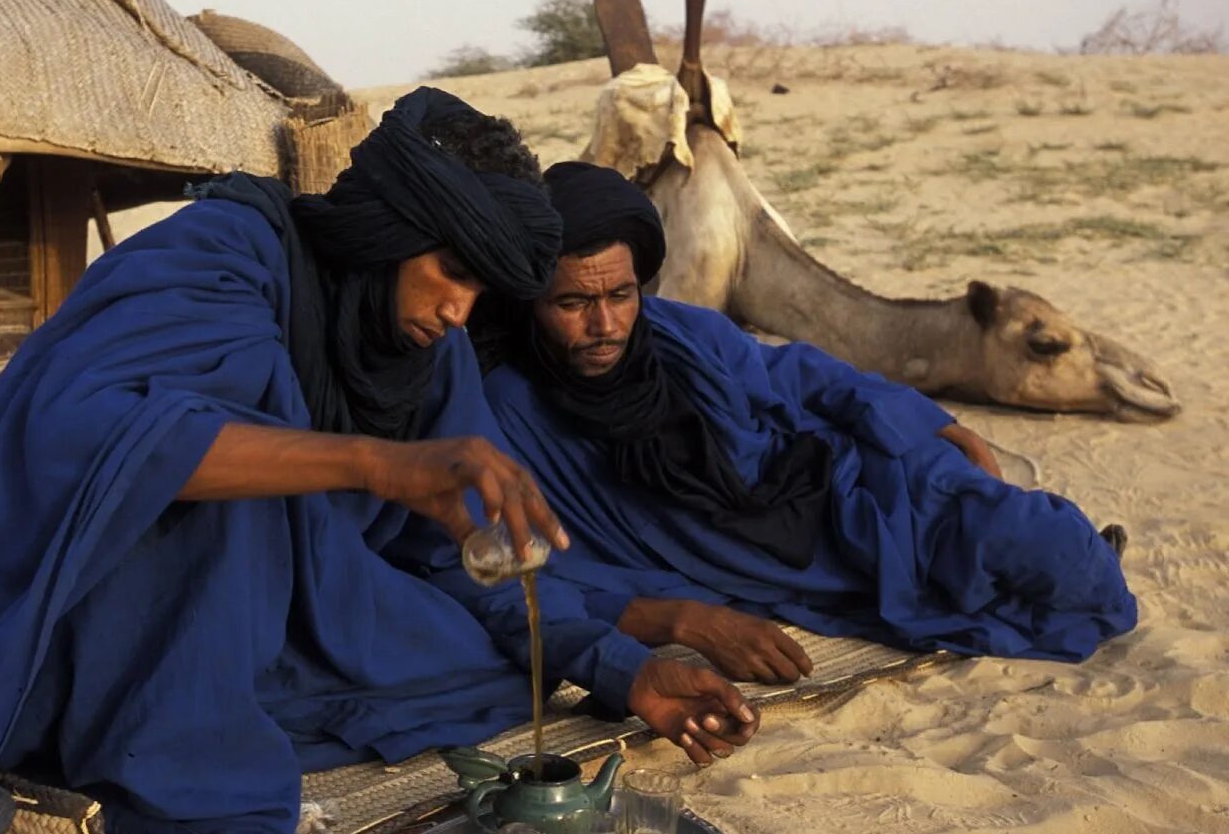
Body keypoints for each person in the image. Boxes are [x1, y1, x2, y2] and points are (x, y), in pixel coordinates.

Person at [0, 93, 755, 834]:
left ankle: (175, 720)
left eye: (486, 293)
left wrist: (621, 666)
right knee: (231, 459)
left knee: (462, 667)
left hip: (251, 603)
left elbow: (458, 558)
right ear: (388, 238)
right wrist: (380, 464)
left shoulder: (430, 357)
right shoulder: (225, 250)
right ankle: (177, 765)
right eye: (453, 276)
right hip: (24, 565)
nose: (459, 312)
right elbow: (95, 440)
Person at [476, 161, 1136, 686]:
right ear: (532, 300)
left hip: (836, 481)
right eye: (572, 302)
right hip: (759, 558)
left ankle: (1074, 555)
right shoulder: (510, 411)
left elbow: (798, 375)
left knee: (1042, 543)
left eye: (620, 295)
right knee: (988, 574)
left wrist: (931, 422)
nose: (605, 324)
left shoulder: (682, 331)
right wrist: (682, 619)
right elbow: (535, 574)